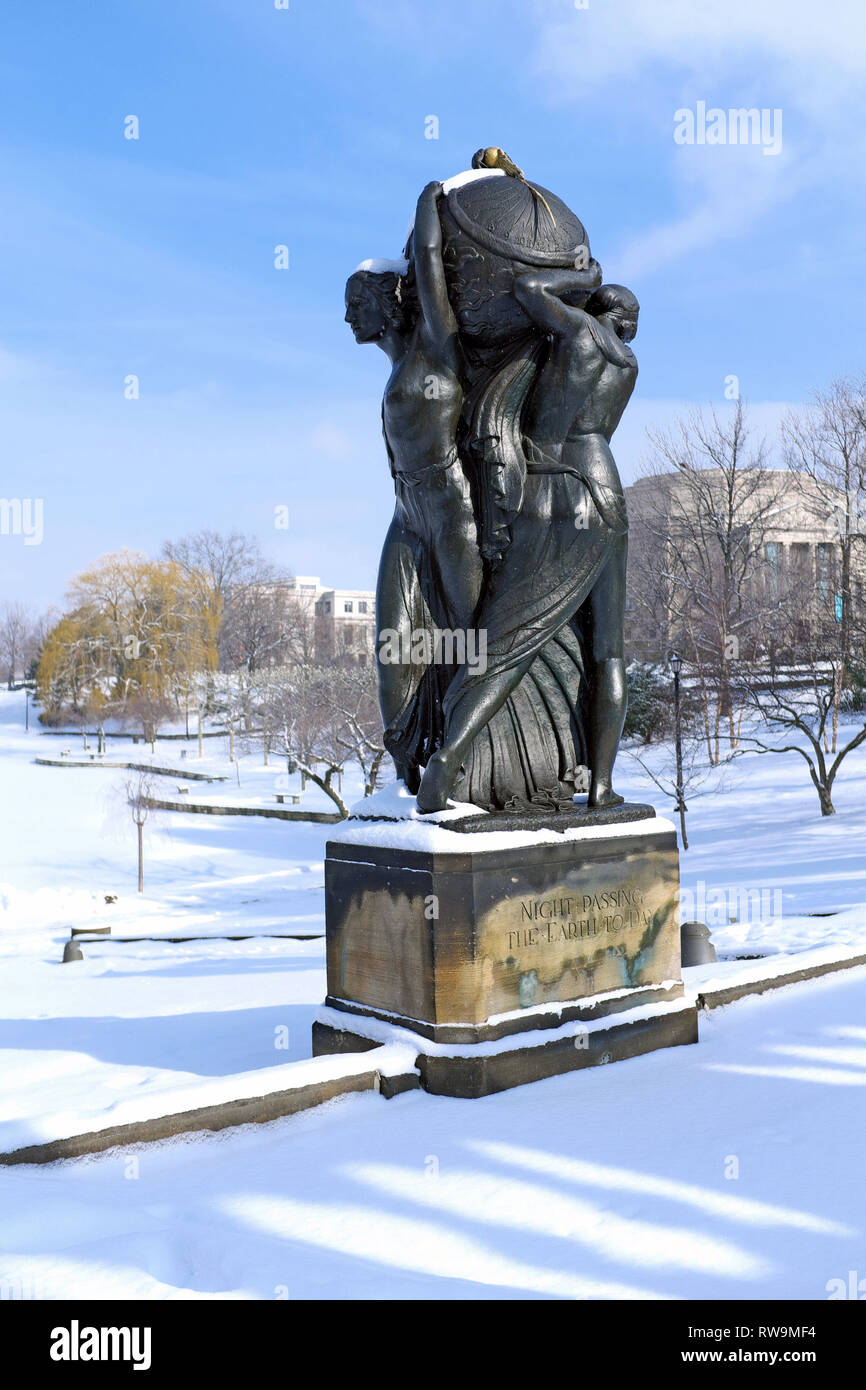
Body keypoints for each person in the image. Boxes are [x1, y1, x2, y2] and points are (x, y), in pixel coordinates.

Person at [416, 276, 639, 813]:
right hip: (604, 488)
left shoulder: (577, 332)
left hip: (548, 486)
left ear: (594, 307)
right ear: (628, 325)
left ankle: (449, 757)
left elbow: (521, 286)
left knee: (508, 637)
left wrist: (575, 281)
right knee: (607, 649)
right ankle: (602, 786)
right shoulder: (628, 364)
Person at [344, 182, 481, 792]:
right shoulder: (397, 366)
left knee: (473, 640)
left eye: (356, 301)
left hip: (453, 510)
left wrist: (432, 199)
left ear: (388, 301)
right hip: (407, 516)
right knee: (392, 646)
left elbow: (428, 261)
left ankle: (471, 765)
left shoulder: (438, 344)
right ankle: (407, 768)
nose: (348, 316)